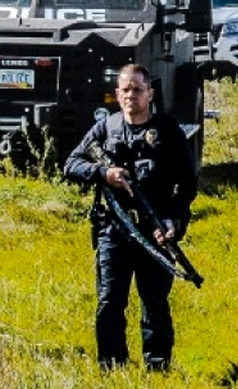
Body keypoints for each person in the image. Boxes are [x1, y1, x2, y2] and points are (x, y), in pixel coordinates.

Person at [63, 63, 198, 372]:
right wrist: (103, 173)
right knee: (109, 302)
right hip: (114, 229)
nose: (131, 95)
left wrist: (174, 221)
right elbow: (71, 164)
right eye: (125, 89)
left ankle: (158, 369)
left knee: (154, 305)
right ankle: (112, 368)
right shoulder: (105, 129)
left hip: (154, 232)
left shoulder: (167, 131)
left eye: (138, 89)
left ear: (150, 93)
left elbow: (187, 185)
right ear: (117, 94)